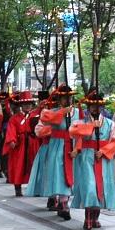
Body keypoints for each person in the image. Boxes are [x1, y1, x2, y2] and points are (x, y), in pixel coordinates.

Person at [71, 91, 115, 230]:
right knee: (89, 186)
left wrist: (104, 151)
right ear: (88, 107)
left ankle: (96, 217)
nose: (95, 109)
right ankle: (88, 217)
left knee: (103, 186)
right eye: (92, 106)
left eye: (98, 106)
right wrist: (91, 127)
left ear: (102, 108)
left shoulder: (110, 124)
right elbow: (73, 132)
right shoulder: (80, 122)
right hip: (87, 158)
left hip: (103, 159)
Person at [28, 85, 78, 221]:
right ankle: (62, 202)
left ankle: (64, 200)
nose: (67, 100)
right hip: (56, 146)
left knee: (71, 174)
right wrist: (62, 113)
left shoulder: (79, 113)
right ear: (59, 99)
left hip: (72, 146)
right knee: (59, 173)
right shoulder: (51, 112)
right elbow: (42, 125)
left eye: (69, 97)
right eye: (63, 98)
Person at [2, 92, 34, 196]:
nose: (28, 106)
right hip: (20, 144)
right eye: (25, 104)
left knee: (33, 165)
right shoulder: (14, 118)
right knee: (18, 165)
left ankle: (34, 187)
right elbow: (11, 130)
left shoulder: (34, 116)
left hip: (32, 143)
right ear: (21, 106)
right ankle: (17, 186)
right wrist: (12, 140)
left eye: (29, 104)